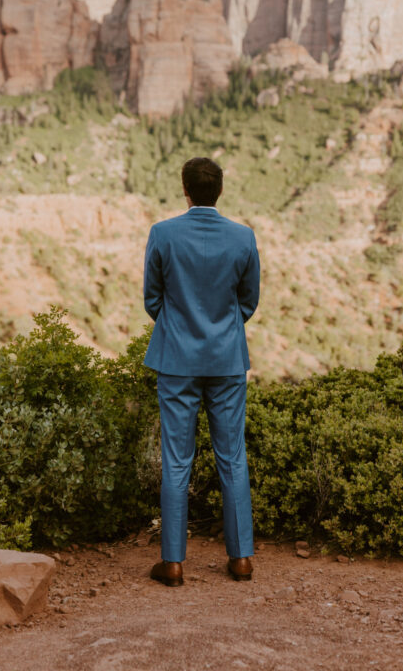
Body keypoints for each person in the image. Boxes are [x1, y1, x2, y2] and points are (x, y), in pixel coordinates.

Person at [143, 156, 260, 586]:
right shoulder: (243, 237)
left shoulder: (163, 234)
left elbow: (151, 299)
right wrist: (222, 332)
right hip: (227, 360)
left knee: (177, 460)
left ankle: (173, 563)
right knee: (232, 457)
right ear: (220, 190)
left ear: (185, 190)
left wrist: (179, 328)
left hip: (175, 361)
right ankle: (241, 558)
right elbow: (248, 301)